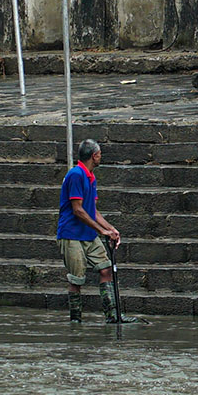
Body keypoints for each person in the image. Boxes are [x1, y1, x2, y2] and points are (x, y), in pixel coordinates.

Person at [57, 139, 125, 324]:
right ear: (94, 156)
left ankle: (112, 315)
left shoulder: (90, 176)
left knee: (105, 268)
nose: (100, 157)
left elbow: (92, 210)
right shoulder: (76, 175)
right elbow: (78, 210)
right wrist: (102, 232)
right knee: (77, 280)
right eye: (100, 154)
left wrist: (110, 228)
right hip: (71, 235)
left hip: (87, 234)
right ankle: (75, 320)